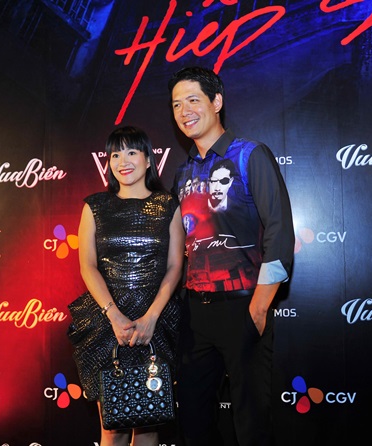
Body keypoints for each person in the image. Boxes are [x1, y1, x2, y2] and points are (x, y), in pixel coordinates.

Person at [168, 66, 295, 446]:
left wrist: (259, 307)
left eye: (193, 100)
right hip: (195, 315)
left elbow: (279, 232)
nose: (184, 111)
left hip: (243, 307)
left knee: (251, 425)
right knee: (194, 424)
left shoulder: (249, 155)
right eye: (176, 104)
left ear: (217, 101)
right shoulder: (182, 173)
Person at [66, 126, 185, 446]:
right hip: (106, 323)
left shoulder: (168, 205)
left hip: (156, 323)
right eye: (115, 154)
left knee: (148, 422)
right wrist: (114, 316)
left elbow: (175, 266)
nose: (123, 161)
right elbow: (88, 266)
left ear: (148, 159)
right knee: (113, 426)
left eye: (132, 152)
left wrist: (151, 317)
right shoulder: (94, 206)